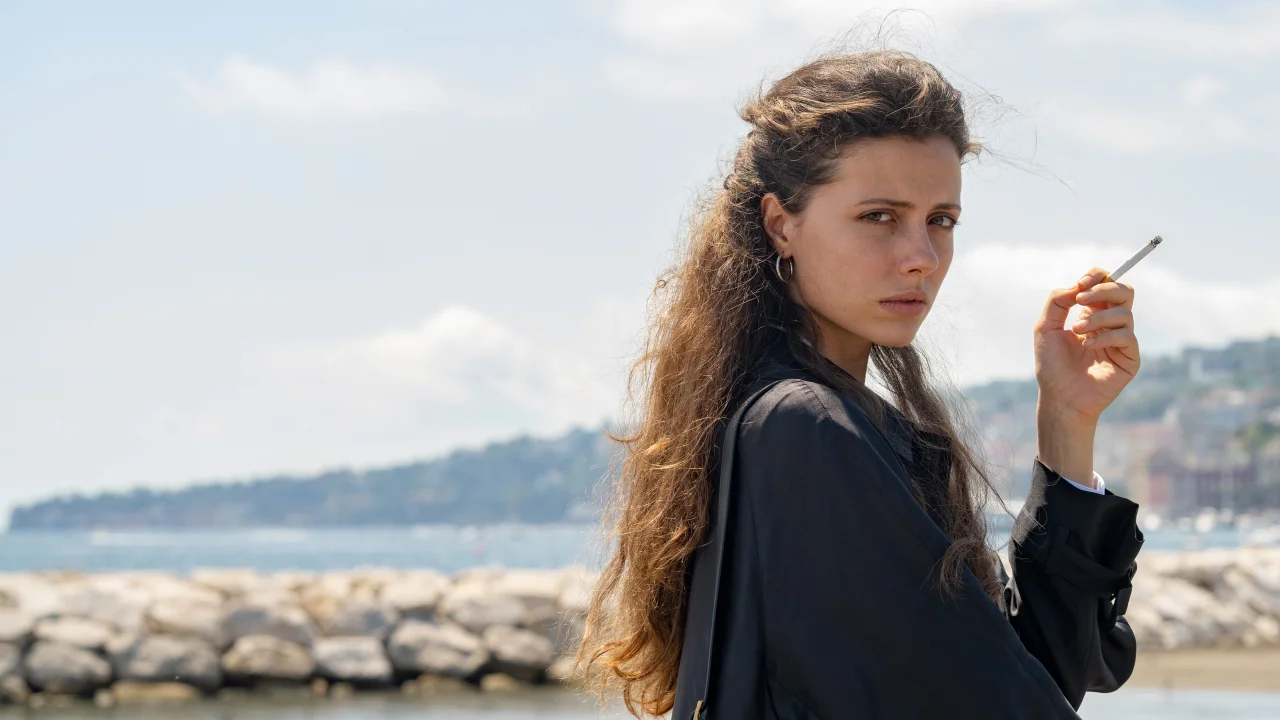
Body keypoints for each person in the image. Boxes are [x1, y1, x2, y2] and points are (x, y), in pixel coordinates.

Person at [575, 49, 1144, 719]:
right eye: (879, 216)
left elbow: (1036, 674)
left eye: (941, 220)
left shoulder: (807, 419)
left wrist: (1067, 421)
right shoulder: (804, 426)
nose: (921, 257)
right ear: (780, 224)